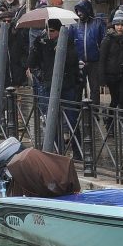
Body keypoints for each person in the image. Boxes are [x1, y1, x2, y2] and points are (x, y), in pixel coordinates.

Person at [27, 19, 83, 153]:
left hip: (67, 85)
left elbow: (73, 62)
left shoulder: (67, 42)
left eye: (52, 31)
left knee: (71, 118)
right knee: (51, 118)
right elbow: (32, 63)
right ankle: (57, 150)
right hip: (48, 85)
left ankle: (78, 152)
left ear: (59, 31)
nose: (49, 33)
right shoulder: (41, 42)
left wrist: (60, 49)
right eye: (48, 30)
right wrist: (36, 46)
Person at [70, 0, 107, 104]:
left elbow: (103, 43)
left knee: (94, 89)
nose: (79, 13)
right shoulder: (74, 26)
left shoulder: (97, 23)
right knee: (78, 88)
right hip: (79, 62)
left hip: (94, 62)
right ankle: (76, 112)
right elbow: (70, 44)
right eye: (77, 11)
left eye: (81, 11)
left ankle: (94, 112)